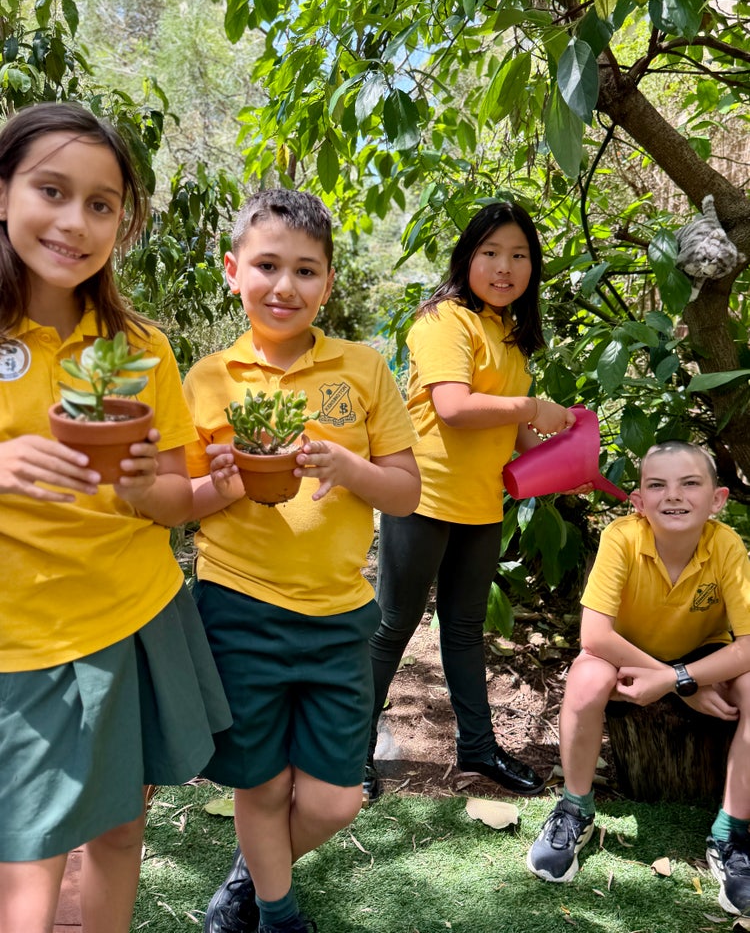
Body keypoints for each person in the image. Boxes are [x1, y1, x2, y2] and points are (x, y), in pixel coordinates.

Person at [0, 102, 231, 933]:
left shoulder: (139, 347)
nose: (75, 222)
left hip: (133, 618)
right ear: (2, 193)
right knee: (27, 859)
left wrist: (141, 486)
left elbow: (175, 501)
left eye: (101, 204)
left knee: (123, 827)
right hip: (20, 643)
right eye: (51, 190)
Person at [183, 188, 421, 933]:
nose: (285, 286)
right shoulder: (208, 379)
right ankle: (278, 912)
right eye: (267, 265)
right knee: (260, 784)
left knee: (333, 798)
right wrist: (217, 480)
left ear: (329, 280)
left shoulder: (363, 367)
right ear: (233, 270)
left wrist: (350, 469)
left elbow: (408, 493)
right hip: (237, 607)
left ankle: (253, 870)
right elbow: (178, 500)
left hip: (338, 614)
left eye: (307, 271)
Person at [366, 200, 578, 801]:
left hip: (482, 503)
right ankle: (352, 748)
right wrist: (533, 409)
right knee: (392, 625)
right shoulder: (444, 321)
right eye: (491, 252)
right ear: (468, 258)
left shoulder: (509, 337)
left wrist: (563, 450)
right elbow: (454, 409)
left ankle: (478, 749)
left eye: (519, 255)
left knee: (463, 628)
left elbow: (512, 431)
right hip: (423, 495)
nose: (505, 266)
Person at [526, 441, 750, 917]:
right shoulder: (622, 537)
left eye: (691, 483)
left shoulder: (726, 544)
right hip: (624, 650)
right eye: (657, 485)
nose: (674, 495)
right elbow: (595, 634)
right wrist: (678, 681)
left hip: (696, 652)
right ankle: (575, 809)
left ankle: (731, 835)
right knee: (584, 685)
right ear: (638, 501)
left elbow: (747, 645)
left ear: (718, 499)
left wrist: (679, 678)